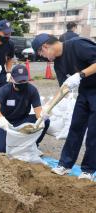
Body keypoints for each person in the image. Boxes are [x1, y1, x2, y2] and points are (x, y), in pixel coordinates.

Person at [32, 33, 96, 180]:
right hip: (85, 92)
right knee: (75, 127)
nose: (43, 57)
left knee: (93, 132)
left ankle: (88, 170)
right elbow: (64, 89)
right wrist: (48, 107)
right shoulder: (58, 64)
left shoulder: (77, 45)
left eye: (41, 54)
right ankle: (65, 164)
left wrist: (81, 75)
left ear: (45, 47)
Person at [0, 64, 50, 152]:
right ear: (11, 79)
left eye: (24, 81)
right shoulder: (5, 90)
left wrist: (41, 117)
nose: (22, 83)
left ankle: (33, 144)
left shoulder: (32, 90)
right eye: (19, 81)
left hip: (23, 120)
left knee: (45, 121)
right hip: (7, 122)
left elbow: (38, 111)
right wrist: (1, 119)